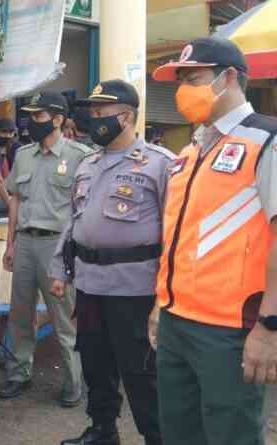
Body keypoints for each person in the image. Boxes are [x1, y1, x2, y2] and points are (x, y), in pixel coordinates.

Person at [151, 36, 277, 445]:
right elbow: (178, 237)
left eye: (194, 79)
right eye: (180, 81)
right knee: (179, 433)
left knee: (231, 435)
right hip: (176, 321)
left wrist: (270, 326)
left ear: (229, 78)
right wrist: (160, 306)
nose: (183, 91)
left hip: (230, 331)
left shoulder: (266, 140)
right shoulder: (189, 151)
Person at [51, 80, 173, 445]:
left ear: (126, 116)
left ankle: (157, 437)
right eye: (92, 111)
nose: (94, 118)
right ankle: (102, 430)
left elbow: (176, 234)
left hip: (134, 288)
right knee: (95, 363)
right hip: (90, 284)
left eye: (101, 111)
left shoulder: (160, 164)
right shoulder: (88, 164)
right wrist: (60, 269)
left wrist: (166, 295)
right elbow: (74, 222)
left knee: (141, 372)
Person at [0, 91, 93, 406]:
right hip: (25, 242)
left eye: (38, 116)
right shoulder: (24, 154)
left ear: (58, 119)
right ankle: (18, 374)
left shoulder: (79, 156)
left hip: (57, 246)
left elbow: (84, 209)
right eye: (30, 116)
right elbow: (15, 200)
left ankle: (73, 381)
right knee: (20, 315)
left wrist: (74, 253)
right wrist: (10, 244)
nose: (31, 122)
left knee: (63, 318)